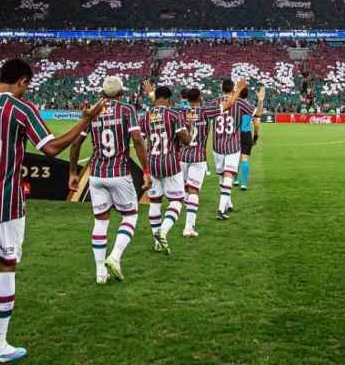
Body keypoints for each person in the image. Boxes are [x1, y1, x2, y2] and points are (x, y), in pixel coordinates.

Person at [0, 59, 104, 364]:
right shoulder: (21, 109)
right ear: (23, 82)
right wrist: (85, 121)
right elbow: (51, 148)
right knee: (6, 264)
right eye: (28, 85)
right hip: (6, 196)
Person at [68, 76, 151, 284]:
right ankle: (114, 257)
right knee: (130, 216)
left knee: (100, 221)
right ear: (122, 93)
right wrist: (146, 170)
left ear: (102, 93)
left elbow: (76, 143)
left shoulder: (93, 112)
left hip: (96, 174)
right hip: (119, 172)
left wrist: (73, 172)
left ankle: (99, 273)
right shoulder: (127, 109)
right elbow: (138, 141)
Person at [178, 80, 246, 237]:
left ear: (187, 100)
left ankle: (187, 209)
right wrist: (240, 89)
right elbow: (228, 104)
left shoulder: (180, 113)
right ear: (200, 98)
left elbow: (161, 109)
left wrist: (152, 93)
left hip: (182, 157)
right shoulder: (205, 112)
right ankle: (188, 226)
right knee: (194, 191)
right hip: (198, 157)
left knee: (186, 190)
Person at [141, 86, 191, 255]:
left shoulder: (145, 117)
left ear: (155, 99)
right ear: (169, 100)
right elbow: (186, 140)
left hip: (152, 163)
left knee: (155, 201)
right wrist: (189, 129)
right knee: (176, 201)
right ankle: (163, 231)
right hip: (170, 163)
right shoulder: (173, 115)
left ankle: (157, 243)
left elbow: (139, 141)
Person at [210, 79, 265, 220]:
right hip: (232, 145)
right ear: (234, 88)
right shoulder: (240, 103)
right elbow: (258, 114)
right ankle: (221, 209)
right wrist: (260, 100)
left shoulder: (213, 103)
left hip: (217, 145)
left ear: (221, 87)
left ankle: (227, 204)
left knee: (222, 176)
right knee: (228, 175)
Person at [233, 88, 261, 191]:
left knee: (235, 158)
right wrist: (255, 137)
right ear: (247, 95)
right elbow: (257, 125)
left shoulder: (234, 106)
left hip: (235, 134)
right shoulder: (251, 107)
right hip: (246, 134)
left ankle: (235, 180)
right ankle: (244, 184)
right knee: (245, 159)